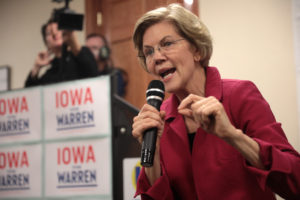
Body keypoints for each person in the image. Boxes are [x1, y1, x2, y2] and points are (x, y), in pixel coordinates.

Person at [132, 3, 300, 200]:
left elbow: (295, 183)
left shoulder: (240, 95)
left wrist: (231, 135)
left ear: (197, 50)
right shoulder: (158, 118)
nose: (156, 58)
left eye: (167, 44)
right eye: (149, 52)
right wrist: (154, 153)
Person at [24, 20, 98, 87]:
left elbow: (93, 74)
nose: (55, 33)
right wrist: (36, 67)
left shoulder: (80, 54)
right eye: (49, 33)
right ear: (46, 43)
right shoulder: (51, 73)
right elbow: (30, 94)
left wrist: (73, 44)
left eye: (58, 29)